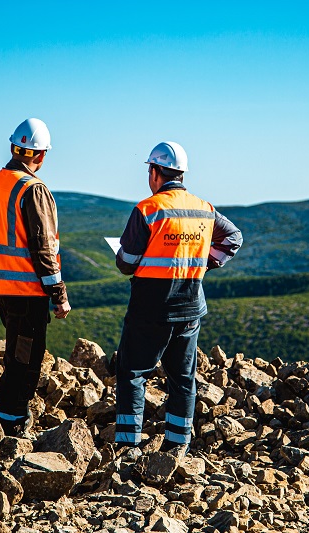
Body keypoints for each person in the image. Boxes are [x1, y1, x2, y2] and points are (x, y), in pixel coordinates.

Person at [113, 141, 243, 453]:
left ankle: (128, 448)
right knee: (183, 379)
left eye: (149, 170)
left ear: (155, 172)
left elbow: (126, 263)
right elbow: (234, 237)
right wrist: (203, 262)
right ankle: (177, 445)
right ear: (181, 174)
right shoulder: (203, 208)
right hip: (190, 307)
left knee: (132, 374)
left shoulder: (148, 209)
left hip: (151, 308)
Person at [0, 117, 71, 436]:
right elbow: (43, 247)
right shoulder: (33, 189)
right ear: (41, 155)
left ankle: (10, 415)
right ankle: (11, 421)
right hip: (25, 288)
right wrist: (58, 294)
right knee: (25, 357)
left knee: (18, 348)